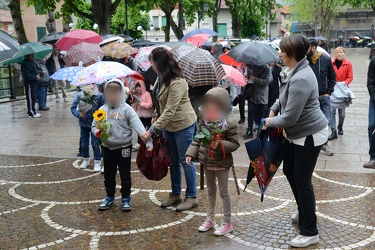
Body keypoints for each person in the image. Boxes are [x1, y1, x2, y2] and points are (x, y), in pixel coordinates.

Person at [264, 35, 329, 248]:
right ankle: (304, 209)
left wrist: (270, 121)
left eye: (282, 50)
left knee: (302, 178)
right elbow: (283, 97)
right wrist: (274, 108)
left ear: (292, 54)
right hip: (296, 134)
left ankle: (310, 231)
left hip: (309, 135)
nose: (279, 53)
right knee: (290, 171)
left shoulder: (301, 77)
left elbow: (290, 117)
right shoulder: (293, 70)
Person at [140, 47, 198, 212]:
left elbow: (171, 110)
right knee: (172, 160)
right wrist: (156, 115)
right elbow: (161, 104)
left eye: (152, 61)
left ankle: (192, 197)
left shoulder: (178, 82)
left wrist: (151, 130)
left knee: (184, 161)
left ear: (159, 62)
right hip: (168, 126)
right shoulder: (161, 79)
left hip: (183, 124)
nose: (150, 65)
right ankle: (175, 194)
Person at [186, 87, 240, 236]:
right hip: (207, 162)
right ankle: (210, 219)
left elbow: (235, 144)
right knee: (211, 192)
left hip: (221, 163)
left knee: (223, 192)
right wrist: (190, 153)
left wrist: (220, 145)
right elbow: (198, 139)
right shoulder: (204, 119)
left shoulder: (229, 124)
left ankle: (227, 222)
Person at [92, 79, 153, 211]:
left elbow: (139, 126)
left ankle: (126, 198)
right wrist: (99, 131)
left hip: (124, 147)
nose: (112, 96)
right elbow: (93, 126)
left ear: (121, 94)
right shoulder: (102, 110)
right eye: (110, 93)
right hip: (107, 147)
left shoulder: (127, 110)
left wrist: (148, 141)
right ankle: (109, 196)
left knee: (125, 174)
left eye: (116, 92)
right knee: (109, 174)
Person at [307, 39, 336, 156]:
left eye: (307, 47)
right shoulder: (304, 61)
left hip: (323, 97)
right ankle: (311, 145)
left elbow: (332, 77)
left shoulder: (325, 59)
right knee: (310, 123)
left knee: (325, 122)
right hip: (309, 99)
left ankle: (324, 144)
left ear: (313, 48)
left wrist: (328, 92)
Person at [71, 83, 105, 172]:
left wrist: (100, 119)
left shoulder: (99, 96)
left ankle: (97, 161)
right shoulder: (79, 95)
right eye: (87, 84)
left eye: (92, 83)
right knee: (84, 143)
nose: (90, 86)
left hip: (95, 124)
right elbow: (73, 108)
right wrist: (79, 114)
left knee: (95, 143)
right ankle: (85, 159)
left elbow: (104, 108)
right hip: (84, 124)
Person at [329, 47, 353, 140]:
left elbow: (350, 77)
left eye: (341, 52)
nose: (340, 54)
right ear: (335, 54)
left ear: (344, 53)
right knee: (332, 111)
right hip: (333, 89)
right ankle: (333, 130)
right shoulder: (331, 63)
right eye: (338, 53)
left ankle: (340, 125)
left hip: (343, 89)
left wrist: (344, 83)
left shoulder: (348, 64)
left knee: (342, 112)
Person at [243, 64, 271, 139]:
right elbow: (249, 78)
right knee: (250, 111)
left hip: (262, 95)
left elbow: (267, 81)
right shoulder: (253, 66)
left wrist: (255, 79)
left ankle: (260, 131)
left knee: (261, 114)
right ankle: (249, 130)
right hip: (253, 93)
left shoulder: (267, 69)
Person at [130, 80, 153, 151]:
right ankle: (139, 143)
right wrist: (133, 106)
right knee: (140, 130)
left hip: (149, 116)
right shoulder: (137, 96)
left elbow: (150, 104)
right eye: (136, 87)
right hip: (141, 116)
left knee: (150, 131)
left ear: (142, 86)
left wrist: (141, 103)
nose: (138, 88)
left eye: (139, 86)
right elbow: (135, 107)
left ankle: (151, 143)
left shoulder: (147, 94)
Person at [21, 54, 42, 118]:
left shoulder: (33, 62)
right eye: (31, 55)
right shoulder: (25, 64)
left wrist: (38, 74)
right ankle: (31, 112)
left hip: (34, 83)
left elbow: (35, 70)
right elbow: (26, 75)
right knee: (30, 98)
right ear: (27, 56)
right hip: (29, 83)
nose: (33, 56)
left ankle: (33, 110)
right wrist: (35, 77)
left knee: (34, 97)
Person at [364, 57, 375, 169]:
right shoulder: (374, 61)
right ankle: (373, 158)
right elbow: (370, 82)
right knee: (372, 126)